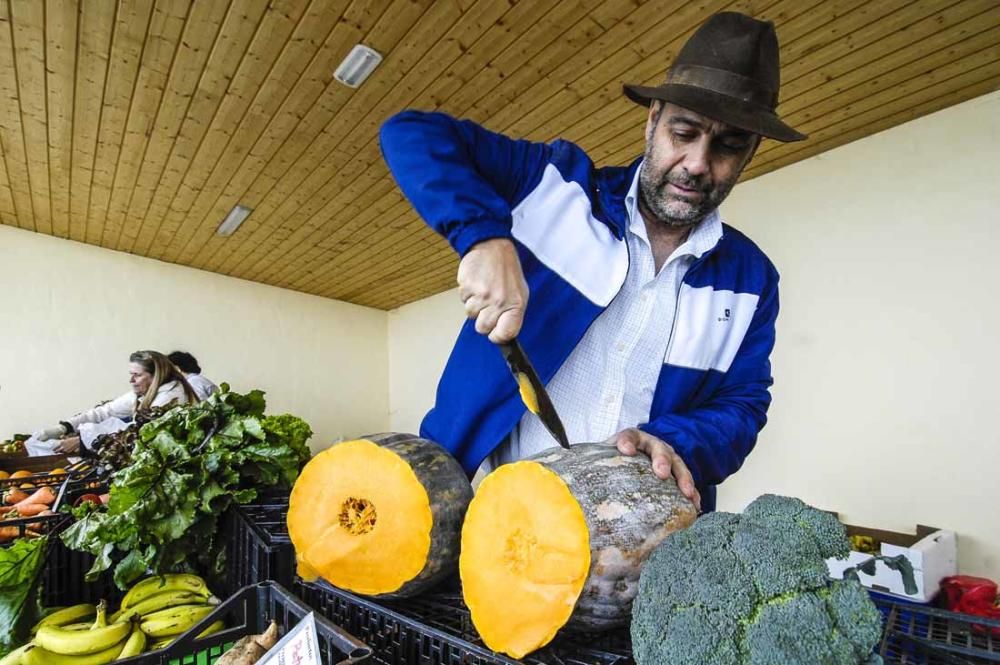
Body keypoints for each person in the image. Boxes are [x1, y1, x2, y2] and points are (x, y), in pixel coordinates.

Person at [378, 12, 807, 513]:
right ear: (653, 120)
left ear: (750, 153)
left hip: (640, 540)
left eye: (728, 146)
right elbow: (411, 133)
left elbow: (743, 404)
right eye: (684, 132)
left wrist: (677, 441)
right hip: (496, 518)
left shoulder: (752, 279)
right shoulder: (553, 185)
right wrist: (484, 239)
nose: (696, 163)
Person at [32, 350, 199, 454]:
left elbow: (140, 431)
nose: (131, 380)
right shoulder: (145, 392)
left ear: (156, 377)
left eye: (137, 375)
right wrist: (65, 426)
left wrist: (83, 441)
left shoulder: (170, 397)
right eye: (131, 374)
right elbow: (106, 411)